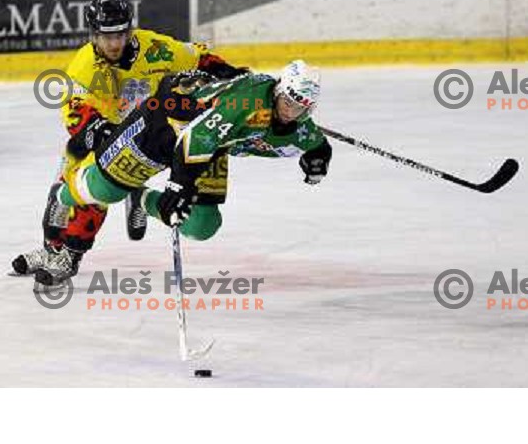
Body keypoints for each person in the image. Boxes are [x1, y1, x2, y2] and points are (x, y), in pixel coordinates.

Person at [12, 0, 246, 281]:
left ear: (130, 31)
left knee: (100, 190)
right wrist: (94, 127)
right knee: (72, 189)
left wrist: (224, 70)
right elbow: (74, 107)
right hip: (108, 134)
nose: (114, 43)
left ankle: (76, 250)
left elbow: (197, 56)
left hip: (157, 133)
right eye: (106, 36)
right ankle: (55, 251)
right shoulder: (85, 64)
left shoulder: (157, 49)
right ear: (93, 34)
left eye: (121, 35)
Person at [37, 60, 332, 285]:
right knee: (105, 191)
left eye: (301, 107)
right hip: (164, 124)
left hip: (209, 145)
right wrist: (179, 187)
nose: (291, 111)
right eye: (289, 102)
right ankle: (62, 193)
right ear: (279, 91)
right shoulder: (248, 102)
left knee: (202, 225)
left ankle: (139, 199)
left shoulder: (295, 119)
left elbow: (313, 141)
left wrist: (319, 155)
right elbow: (195, 138)